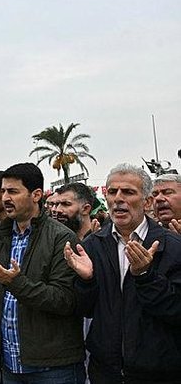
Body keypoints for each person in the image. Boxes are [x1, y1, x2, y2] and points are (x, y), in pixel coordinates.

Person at [0, 163, 85, 384]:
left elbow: (64, 300)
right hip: (10, 364)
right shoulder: (2, 237)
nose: (5, 198)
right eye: (3, 191)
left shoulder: (61, 237)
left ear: (36, 195)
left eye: (13, 191)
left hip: (52, 366)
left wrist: (15, 282)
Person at [66, 164, 181, 383]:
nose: (118, 199)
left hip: (159, 373)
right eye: (112, 192)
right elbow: (84, 309)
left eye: (128, 192)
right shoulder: (91, 246)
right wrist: (86, 281)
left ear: (147, 202)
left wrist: (145, 276)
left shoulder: (173, 247)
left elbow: (176, 310)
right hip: (105, 372)